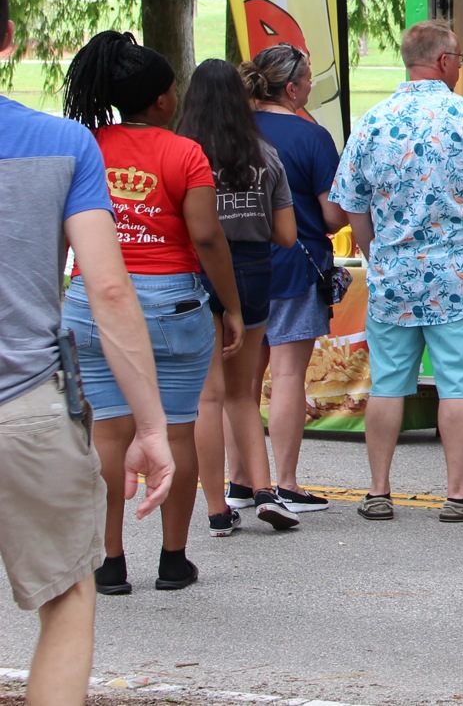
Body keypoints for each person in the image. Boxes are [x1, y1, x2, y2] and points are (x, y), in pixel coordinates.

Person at [0, 0, 173, 702]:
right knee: (68, 599)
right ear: (7, 36)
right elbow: (106, 289)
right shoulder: (63, 144)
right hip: (26, 405)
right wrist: (153, 426)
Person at [62, 32, 243, 592]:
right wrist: (231, 306)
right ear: (164, 100)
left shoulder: (85, 144)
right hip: (172, 302)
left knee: (108, 436)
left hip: (92, 301)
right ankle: (172, 558)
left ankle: (110, 562)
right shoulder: (184, 153)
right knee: (179, 432)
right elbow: (208, 238)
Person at [332, 21, 463, 522]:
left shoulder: (372, 122)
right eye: (458, 57)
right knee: (458, 385)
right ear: (442, 61)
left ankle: (377, 491)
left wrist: (376, 255)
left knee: (388, 384)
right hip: (456, 276)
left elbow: (351, 203)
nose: (460, 65)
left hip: (392, 275)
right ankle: (458, 495)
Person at [179, 59, 298, 533]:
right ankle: (266, 490)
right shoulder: (265, 155)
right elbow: (287, 235)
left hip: (196, 272)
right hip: (253, 272)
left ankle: (217, 509)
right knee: (242, 395)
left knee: (207, 398)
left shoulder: (183, 153)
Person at [243, 44, 346, 513]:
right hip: (296, 265)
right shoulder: (312, 137)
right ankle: (285, 482)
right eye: (307, 81)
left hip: (237, 267)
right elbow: (331, 214)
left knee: (241, 381)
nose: (310, 89)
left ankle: (242, 480)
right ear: (292, 88)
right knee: (287, 374)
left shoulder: (233, 130)